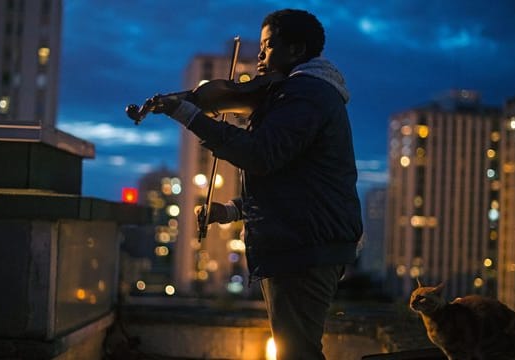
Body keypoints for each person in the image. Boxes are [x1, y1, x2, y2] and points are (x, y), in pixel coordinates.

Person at [151, 9, 363, 359]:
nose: (260, 57)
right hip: (302, 243)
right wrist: (232, 210)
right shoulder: (296, 94)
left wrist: (189, 114)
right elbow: (292, 181)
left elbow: (261, 154)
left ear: (295, 50)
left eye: (267, 46)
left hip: (304, 249)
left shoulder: (306, 94)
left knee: (297, 353)